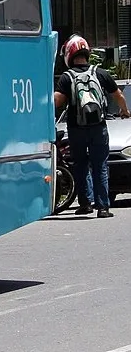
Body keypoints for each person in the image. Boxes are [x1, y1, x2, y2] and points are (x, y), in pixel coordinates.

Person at [54, 34, 130, 217]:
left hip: (76, 128)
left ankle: (85, 204)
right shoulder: (100, 73)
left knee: (81, 165)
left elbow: (56, 101)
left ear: (69, 54)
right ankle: (103, 207)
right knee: (100, 165)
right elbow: (118, 95)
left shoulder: (66, 77)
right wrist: (125, 111)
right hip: (99, 127)